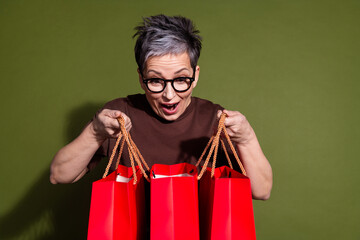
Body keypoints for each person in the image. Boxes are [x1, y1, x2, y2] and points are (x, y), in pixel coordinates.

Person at [50, 14, 272, 200]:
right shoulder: (119, 114)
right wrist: (94, 133)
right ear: (141, 78)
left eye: (180, 79)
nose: (169, 94)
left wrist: (247, 139)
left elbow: (261, 191)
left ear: (195, 76)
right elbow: (59, 174)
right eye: (156, 80)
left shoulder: (214, 119)